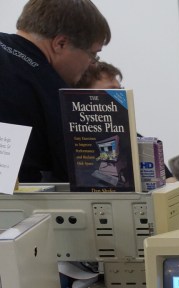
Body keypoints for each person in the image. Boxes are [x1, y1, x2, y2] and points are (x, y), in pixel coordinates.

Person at [74, 60, 179, 215]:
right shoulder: (80, 146)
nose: (120, 97)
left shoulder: (129, 136)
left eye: (120, 89)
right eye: (112, 90)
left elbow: (168, 180)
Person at [0, 0, 110, 182]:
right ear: (60, 44)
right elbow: (87, 168)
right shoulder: (53, 91)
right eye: (92, 54)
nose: (92, 64)